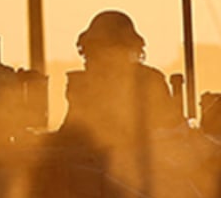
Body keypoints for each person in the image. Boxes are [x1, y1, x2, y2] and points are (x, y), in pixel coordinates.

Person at [61, 10, 182, 138]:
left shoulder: (149, 82)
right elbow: (70, 134)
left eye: (99, 52)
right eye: (90, 53)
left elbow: (170, 130)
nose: (90, 61)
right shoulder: (83, 86)